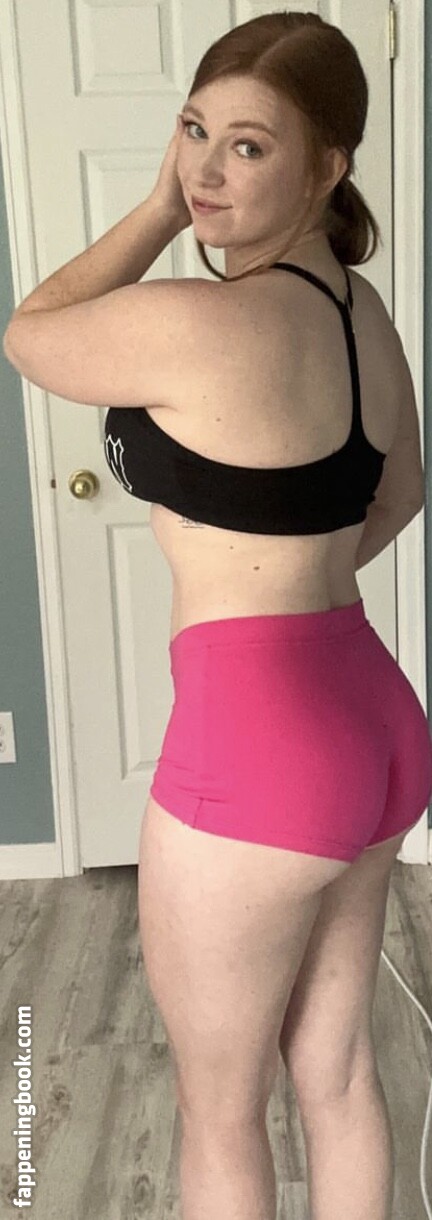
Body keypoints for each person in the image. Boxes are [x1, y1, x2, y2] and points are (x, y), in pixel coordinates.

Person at [130, 14, 432, 1220]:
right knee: (337, 1068)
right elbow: (403, 488)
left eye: (248, 145)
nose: (206, 169)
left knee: (219, 1107)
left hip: (257, 748)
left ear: (327, 166)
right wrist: (298, 583)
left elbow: (29, 329)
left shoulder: (206, 317)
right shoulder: (361, 308)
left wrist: (154, 213)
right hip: (371, 713)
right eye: (194, 132)